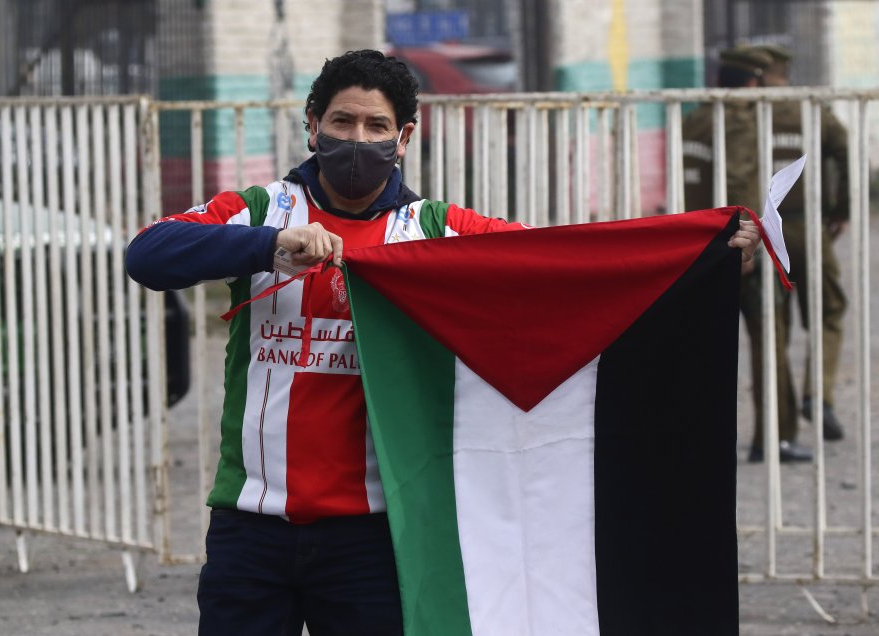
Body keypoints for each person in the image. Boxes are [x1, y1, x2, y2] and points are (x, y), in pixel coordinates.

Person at [126, 49, 763, 635]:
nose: (357, 139)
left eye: (377, 127)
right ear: (311, 125)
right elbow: (148, 254)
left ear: (404, 138)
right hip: (250, 522)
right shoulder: (261, 209)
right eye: (342, 122)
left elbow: (565, 264)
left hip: (374, 532)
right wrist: (267, 245)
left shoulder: (436, 231)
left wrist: (697, 259)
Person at [682, 46, 813, 463]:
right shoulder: (739, 121)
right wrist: (749, 236)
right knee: (767, 342)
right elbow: (739, 184)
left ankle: (694, 435)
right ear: (754, 82)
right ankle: (774, 437)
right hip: (738, 246)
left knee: (700, 346)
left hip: (696, 243)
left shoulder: (694, 119)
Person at [751, 43, 848, 443]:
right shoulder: (810, 110)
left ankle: (781, 426)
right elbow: (844, 151)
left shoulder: (745, 110)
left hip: (764, 229)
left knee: (775, 327)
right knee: (828, 311)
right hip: (809, 226)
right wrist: (842, 208)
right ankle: (818, 394)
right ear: (785, 73)